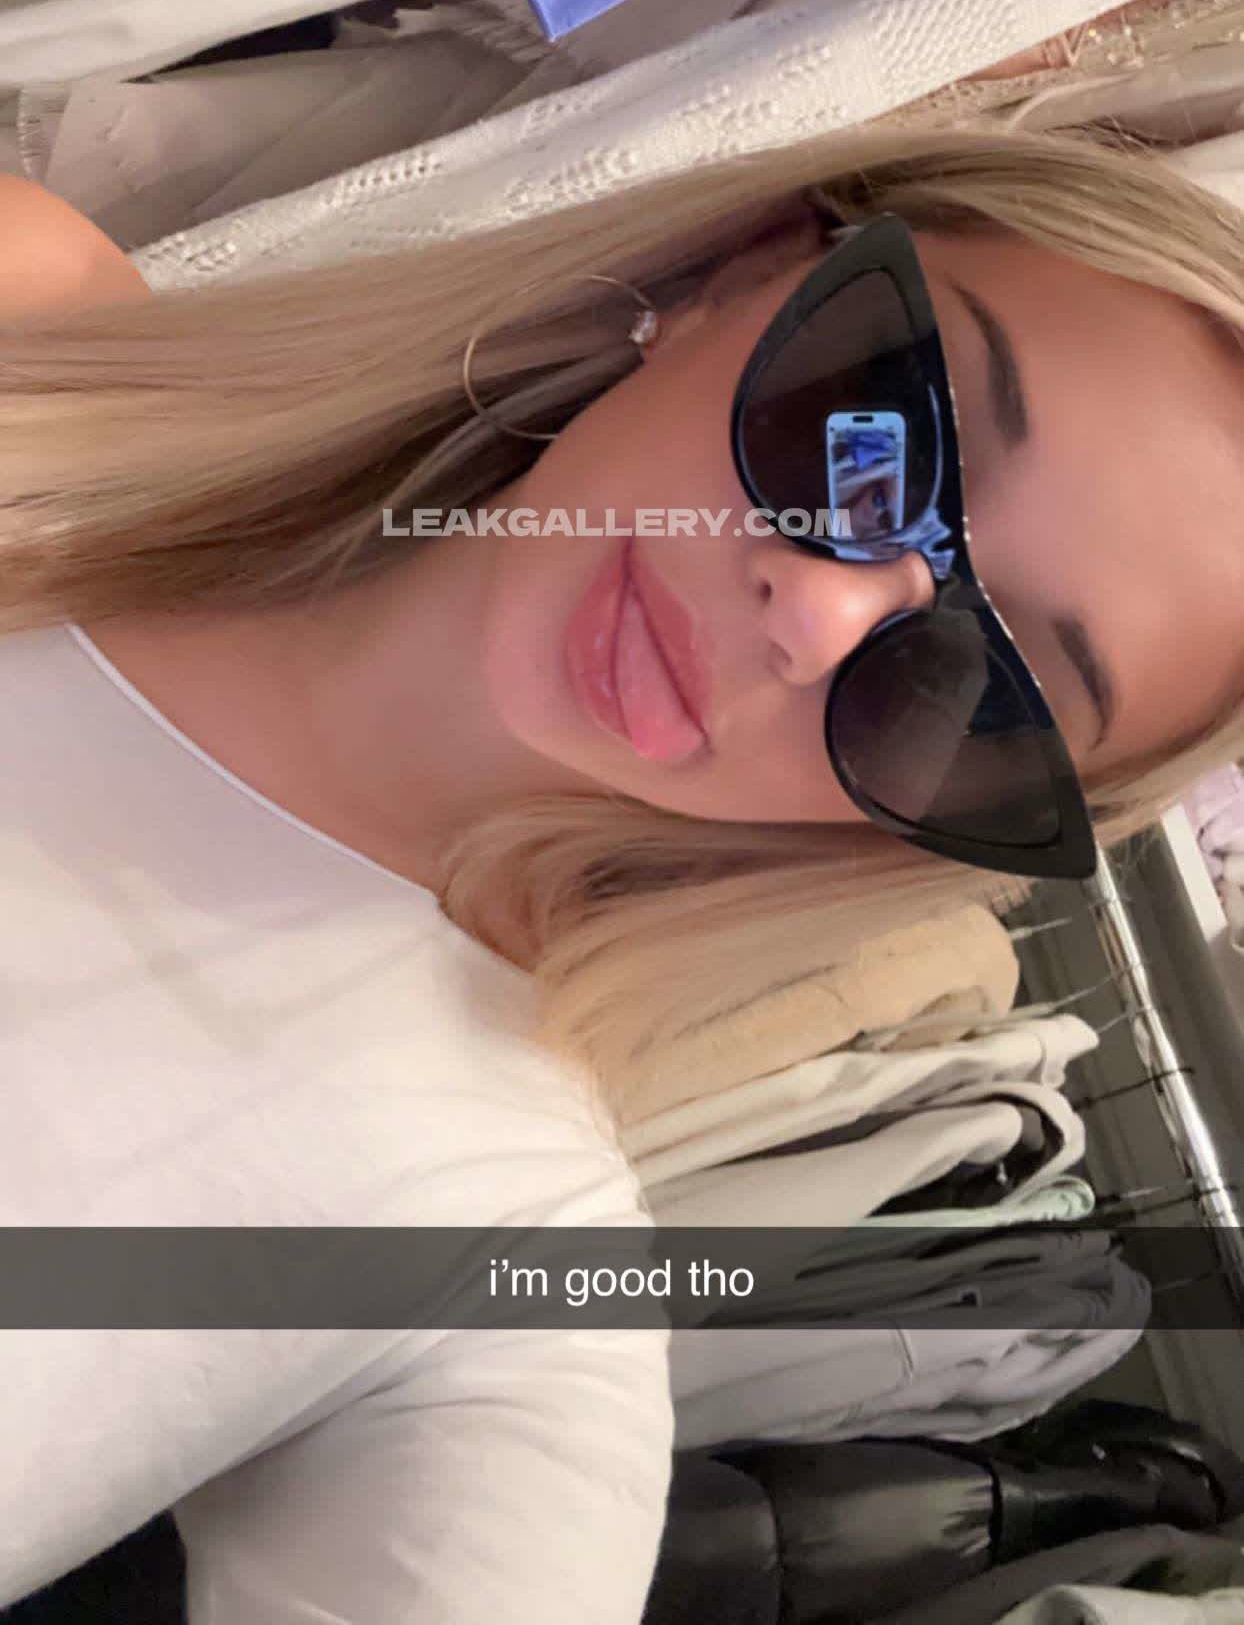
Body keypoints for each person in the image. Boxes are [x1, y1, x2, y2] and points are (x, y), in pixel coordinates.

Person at [0, 117, 1240, 1623]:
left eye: (978, 686)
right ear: (748, 272)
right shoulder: (35, 321)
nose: (819, 617)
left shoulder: (491, 1269)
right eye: (879, 439)